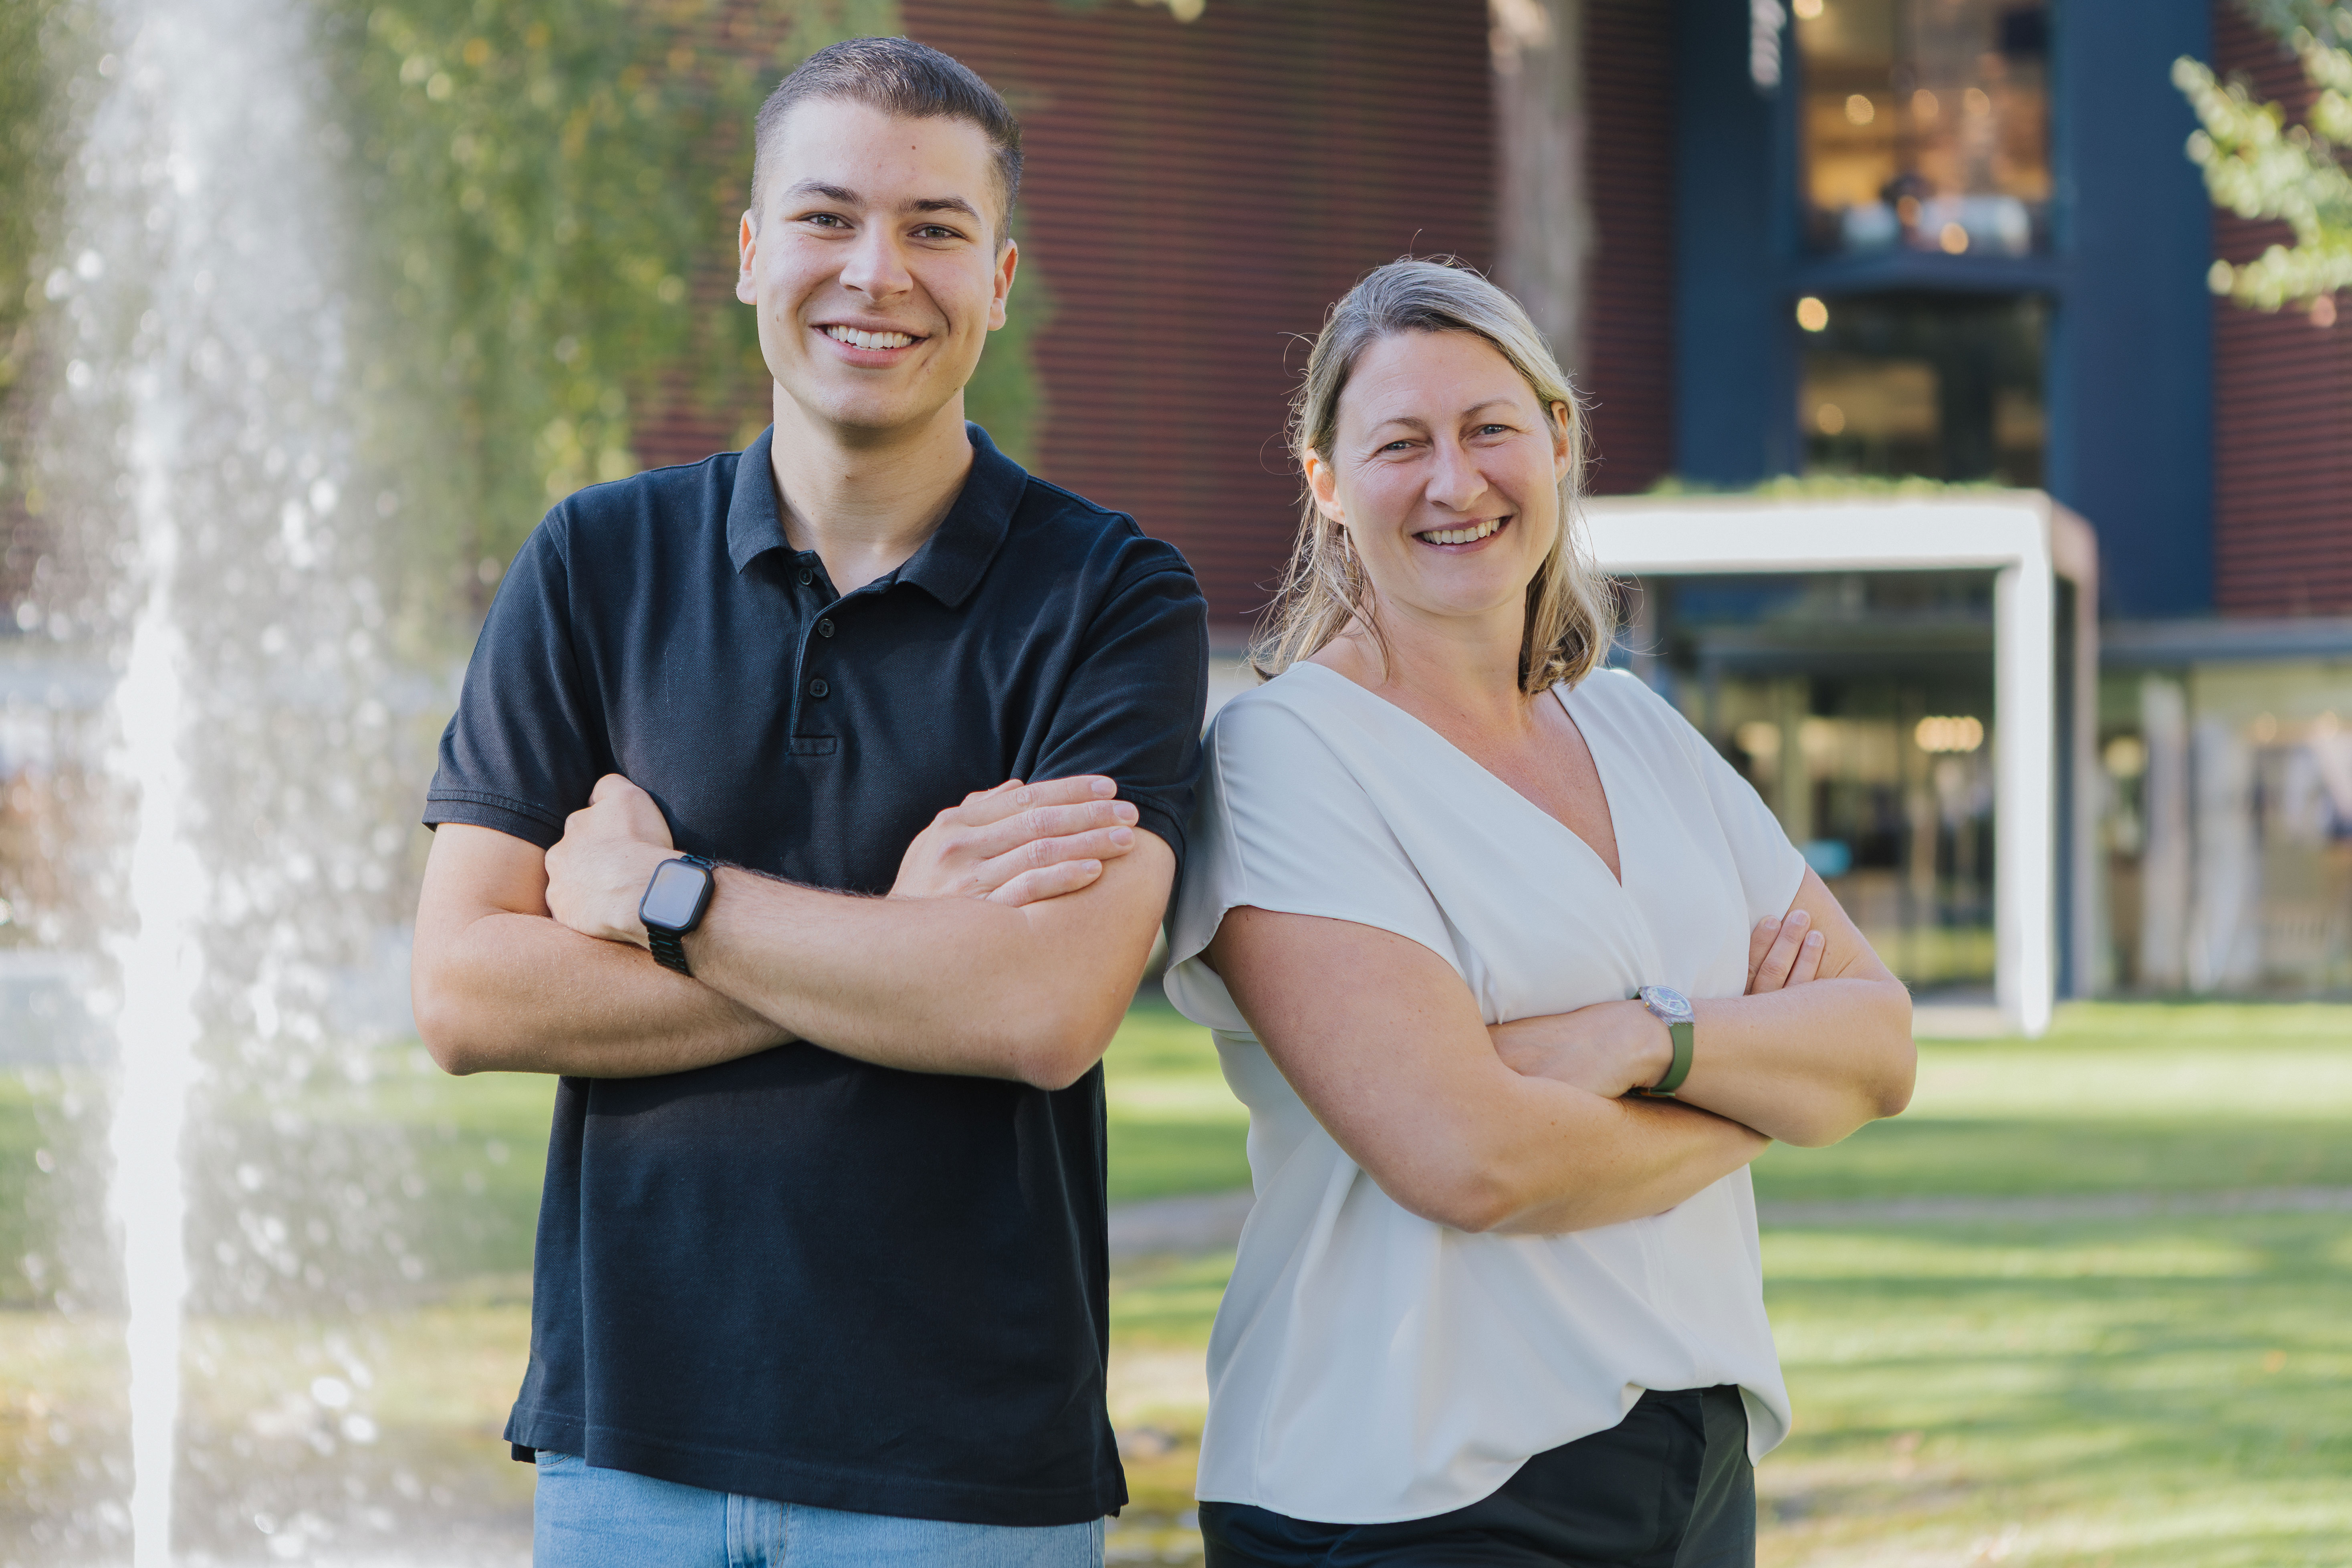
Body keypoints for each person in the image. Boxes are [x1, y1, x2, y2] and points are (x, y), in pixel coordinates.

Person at [409, 37, 1208, 1567]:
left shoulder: (1114, 594)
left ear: (1002, 275)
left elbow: (1042, 1008)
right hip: (624, 1449)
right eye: (829, 218)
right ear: (752, 253)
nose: (876, 273)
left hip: (965, 1473)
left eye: (935, 229)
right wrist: (909, 947)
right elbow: (462, 992)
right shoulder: (593, 564)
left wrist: (668, 906)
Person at [1161, 259, 1916, 1567]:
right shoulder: (1286, 756)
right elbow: (1473, 1160)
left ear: (1558, 444)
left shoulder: (1635, 726)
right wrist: (1766, 1085)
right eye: (1400, 443)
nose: (1455, 482)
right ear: (1327, 484)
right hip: (1413, 1490)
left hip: (1694, 1452)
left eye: (1490, 428)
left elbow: (1882, 1047)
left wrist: (1647, 1039)